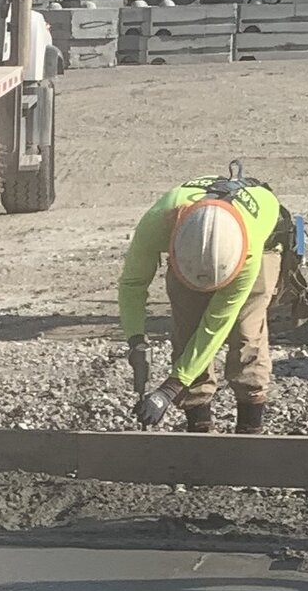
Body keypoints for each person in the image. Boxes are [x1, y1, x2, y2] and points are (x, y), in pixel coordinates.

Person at [118, 167, 289, 434]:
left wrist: (169, 389)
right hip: (191, 249)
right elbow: (132, 284)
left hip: (261, 246)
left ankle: (250, 431)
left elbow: (215, 326)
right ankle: (199, 430)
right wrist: (135, 340)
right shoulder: (157, 223)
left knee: (246, 335)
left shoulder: (249, 253)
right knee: (188, 331)